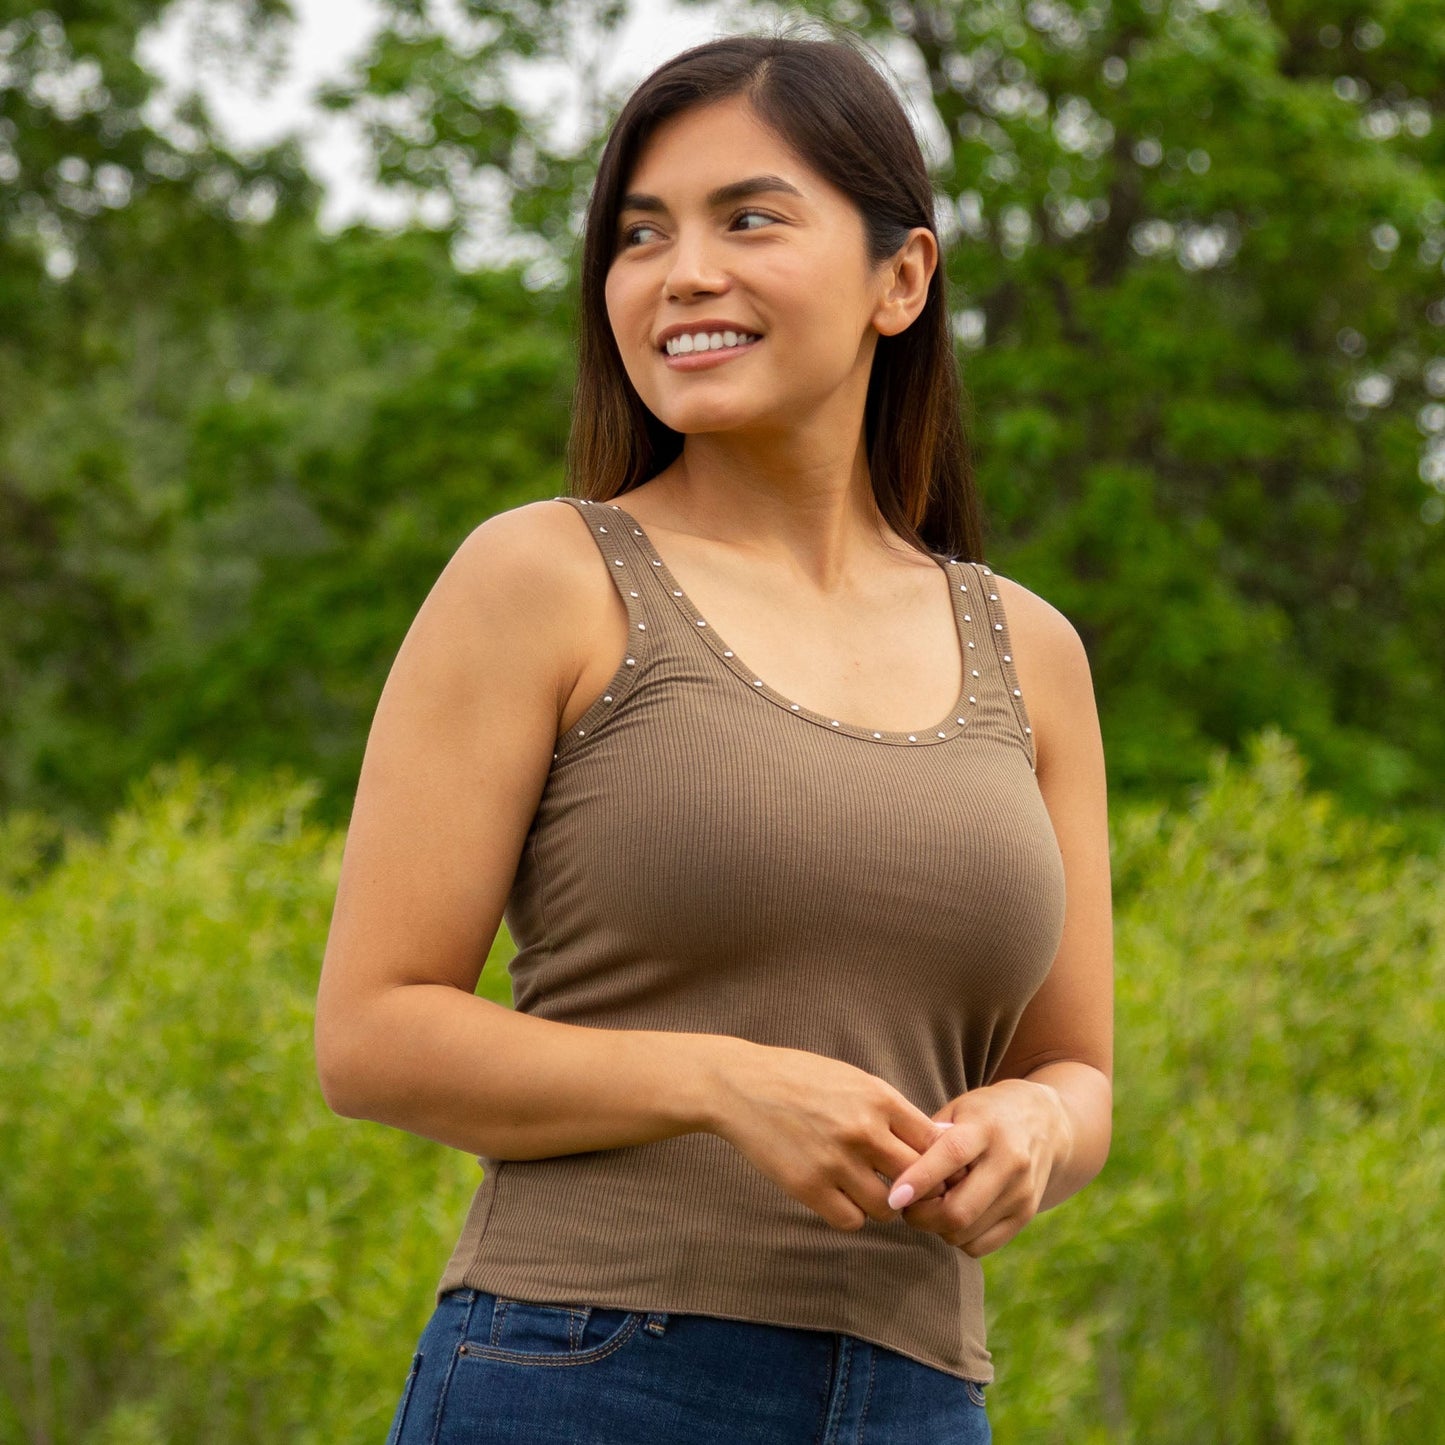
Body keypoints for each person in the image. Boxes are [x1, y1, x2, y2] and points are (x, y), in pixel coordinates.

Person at [314, 24, 1113, 1445]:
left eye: (749, 218)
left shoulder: (1029, 651)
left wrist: (1038, 1131)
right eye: (639, 234)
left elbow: (1074, 1070)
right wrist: (713, 1081)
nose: (683, 273)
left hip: (920, 1400)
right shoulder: (541, 578)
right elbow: (372, 1035)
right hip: (581, 1373)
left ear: (900, 277)